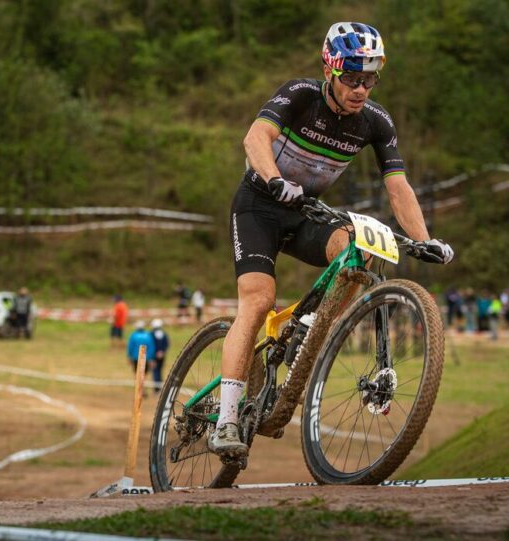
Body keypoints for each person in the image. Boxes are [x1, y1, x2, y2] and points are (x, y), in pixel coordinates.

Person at [209, 22, 455, 458]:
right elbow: (255, 137)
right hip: (259, 206)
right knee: (258, 299)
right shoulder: (300, 95)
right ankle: (226, 421)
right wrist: (273, 178)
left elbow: (397, 186)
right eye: (352, 77)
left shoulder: (375, 122)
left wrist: (425, 240)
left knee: (354, 252)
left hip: (306, 212)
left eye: (370, 78)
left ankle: (309, 328)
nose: (361, 88)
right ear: (330, 70)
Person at [150, 319, 170, 395]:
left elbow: (150, 345)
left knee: (155, 371)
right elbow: (166, 344)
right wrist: (163, 352)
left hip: (154, 356)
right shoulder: (164, 334)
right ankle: (159, 388)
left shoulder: (151, 334)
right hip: (162, 356)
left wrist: (153, 355)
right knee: (159, 371)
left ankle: (156, 389)